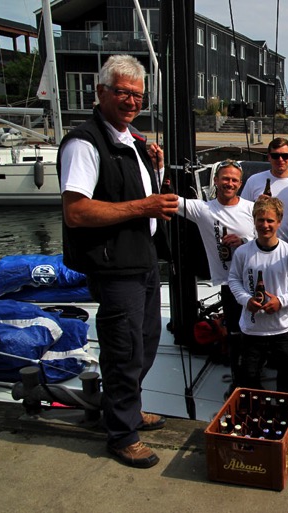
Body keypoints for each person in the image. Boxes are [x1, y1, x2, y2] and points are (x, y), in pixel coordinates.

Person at [58, 55, 178, 468]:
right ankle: (121, 434)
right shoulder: (84, 143)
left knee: (145, 344)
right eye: (124, 93)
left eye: (138, 95)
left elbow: (134, 187)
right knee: (123, 350)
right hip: (114, 267)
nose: (132, 102)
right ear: (101, 92)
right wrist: (143, 206)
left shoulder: (130, 140)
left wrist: (153, 163)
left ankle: (126, 410)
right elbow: (77, 212)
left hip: (141, 260)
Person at [176, 160, 255, 389]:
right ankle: (238, 379)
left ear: (240, 184)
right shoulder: (203, 209)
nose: (229, 183)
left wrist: (243, 241)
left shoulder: (251, 209)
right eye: (225, 178)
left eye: (234, 180)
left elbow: (268, 240)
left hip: (254, 283)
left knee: (256, 335)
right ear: (216, 181)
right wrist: (159, 169)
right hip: (229, 284)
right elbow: (170, 201)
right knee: (234, 334)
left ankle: (254, 376)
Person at [228, 196, 288, 392]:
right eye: (260, 220)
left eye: (270, 220)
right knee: (249, 373)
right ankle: (259, 406)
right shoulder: (242, 252)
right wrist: (246, 300)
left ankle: (283, 405)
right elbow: (234, 280)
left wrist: (281, 301)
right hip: (252, 329)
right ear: (254, 221)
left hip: (282, 328)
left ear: (279, 222)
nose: (265, 225)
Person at [240, 138, 288, 245]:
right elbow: (242, 214)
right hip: (258, 248)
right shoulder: (253, 180)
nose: (280, 159)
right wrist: (256, 206)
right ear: (269, 157)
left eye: (285, 156)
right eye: (275, 156)